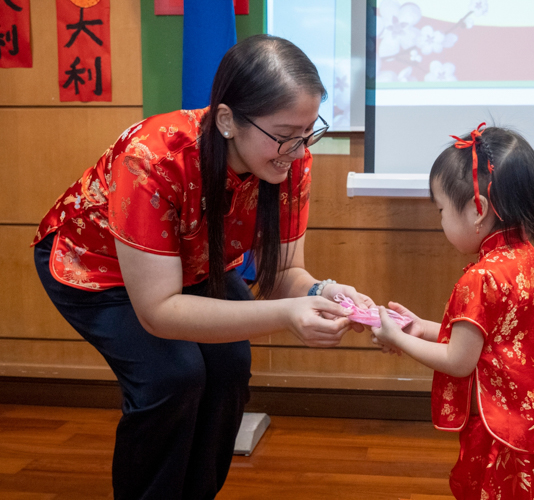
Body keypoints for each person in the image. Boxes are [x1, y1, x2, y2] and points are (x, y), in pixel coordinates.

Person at [32, 34, 371, 500]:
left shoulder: (290, 160)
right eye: (284, 136)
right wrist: (287, 316)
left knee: (230, 365)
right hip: (94, 267)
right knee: (172, 377)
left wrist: (320, 293)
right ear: (228, 120)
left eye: (309, 131)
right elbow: (159, 311)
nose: (297, 151)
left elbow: (283, 274)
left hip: (193, 263)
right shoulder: (152, 157)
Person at [370, 124, 534, 499]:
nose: (441, 221)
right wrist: (420, 327)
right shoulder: (526, 258)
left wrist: (396, 337)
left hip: (500, 430)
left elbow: (459, 360)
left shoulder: (480, 277)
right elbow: (487, 340)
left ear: (477, 210)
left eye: (442, 210)